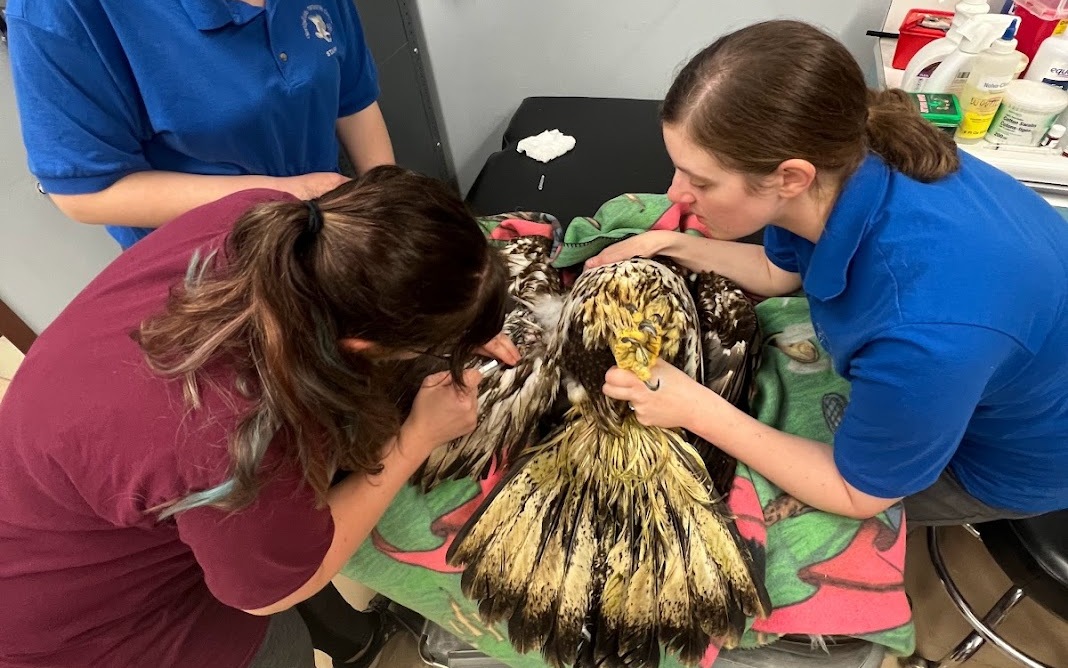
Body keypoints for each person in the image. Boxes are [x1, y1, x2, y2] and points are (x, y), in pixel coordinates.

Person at [0, 166, 520, 668]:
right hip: (88, 630)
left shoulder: (271, 222)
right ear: (363, 344)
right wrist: (416, 438)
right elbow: (274, 594)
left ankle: (356, 642)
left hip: (36, 486)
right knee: (278, 646)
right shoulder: (236, 435)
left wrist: (458, 321)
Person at [590, 20, 1068, 526]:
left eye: (701, 182)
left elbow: (856, 491)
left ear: (790, 177)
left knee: (740, 507)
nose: (674, 195)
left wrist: (695, 409)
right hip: (981, 356)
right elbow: (779, 273)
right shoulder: (844, 161)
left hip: (1017, 458)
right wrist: (670, 244)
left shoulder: (926, 332)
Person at [6, 0, 393, 250]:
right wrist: (286, 194)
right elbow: (86, 192)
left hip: (325, 231)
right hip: (212, 271)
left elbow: (353, 97)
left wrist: (388, 204)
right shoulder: (60, 11)